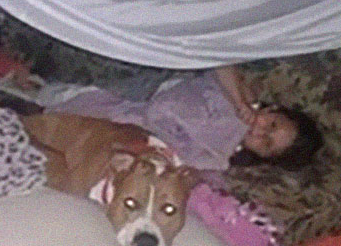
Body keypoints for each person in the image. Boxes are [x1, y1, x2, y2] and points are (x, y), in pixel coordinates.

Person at [43, 65, 323, 172]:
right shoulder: (247, 94)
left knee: (62, 105)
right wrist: (238, 100)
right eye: (271, 125)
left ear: (262, 156)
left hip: (135, 113)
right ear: (273, 110)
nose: (260, 131)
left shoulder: (217, 157)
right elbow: (218, 60)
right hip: (157, 74)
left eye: (267, 143)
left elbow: (169, 140)